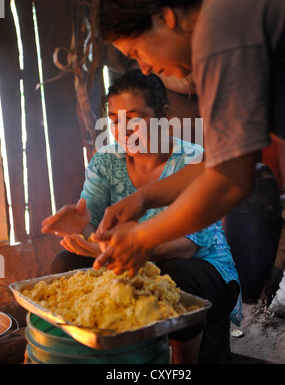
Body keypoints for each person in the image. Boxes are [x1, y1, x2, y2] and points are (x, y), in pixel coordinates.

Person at [90, 0, 285, 279]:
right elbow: (217, 163)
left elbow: (230, 180)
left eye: (137, 51)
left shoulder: (218, 27)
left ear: (164, 16)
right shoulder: (232, 2)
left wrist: (145, 235)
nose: (143, 67)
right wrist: (143, 199)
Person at [42, 70, 241, 363]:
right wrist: (81, 228)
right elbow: (93, 227)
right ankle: (84, 356)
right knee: (65, 264)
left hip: (200, 266)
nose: (124, 130)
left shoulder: (193, 159)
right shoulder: (107, 161)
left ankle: (180, 366)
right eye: (114, 121)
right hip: (134, 260)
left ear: (163, 114)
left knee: (175, 277)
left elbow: (187, 244)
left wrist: (114, 249)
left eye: (135, 119)